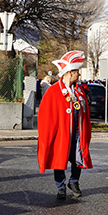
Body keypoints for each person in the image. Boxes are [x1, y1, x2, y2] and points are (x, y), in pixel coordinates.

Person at [37, 51, 93, 200]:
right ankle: (60, 187)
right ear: (69, 73)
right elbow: (45, 115)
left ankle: (74, 182)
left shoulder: (79, 91)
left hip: (77, 132)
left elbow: (85, 112)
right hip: (61, 132)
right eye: (77, 72)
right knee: (59, 159)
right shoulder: (53, 91)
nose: (79, 75)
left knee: (78, 159)